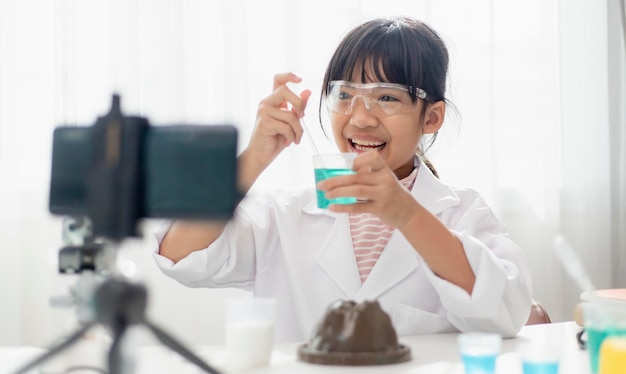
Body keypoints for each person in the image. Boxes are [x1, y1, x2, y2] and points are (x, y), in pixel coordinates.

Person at [152, 17, 533, 342]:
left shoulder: (461, 214)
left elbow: (506, 310)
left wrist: (407, 214)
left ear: (431, 118)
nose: (361, 117)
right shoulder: (285, 216)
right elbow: (180, 254)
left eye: (387, 98)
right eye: (345, 94)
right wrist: (255, 155)